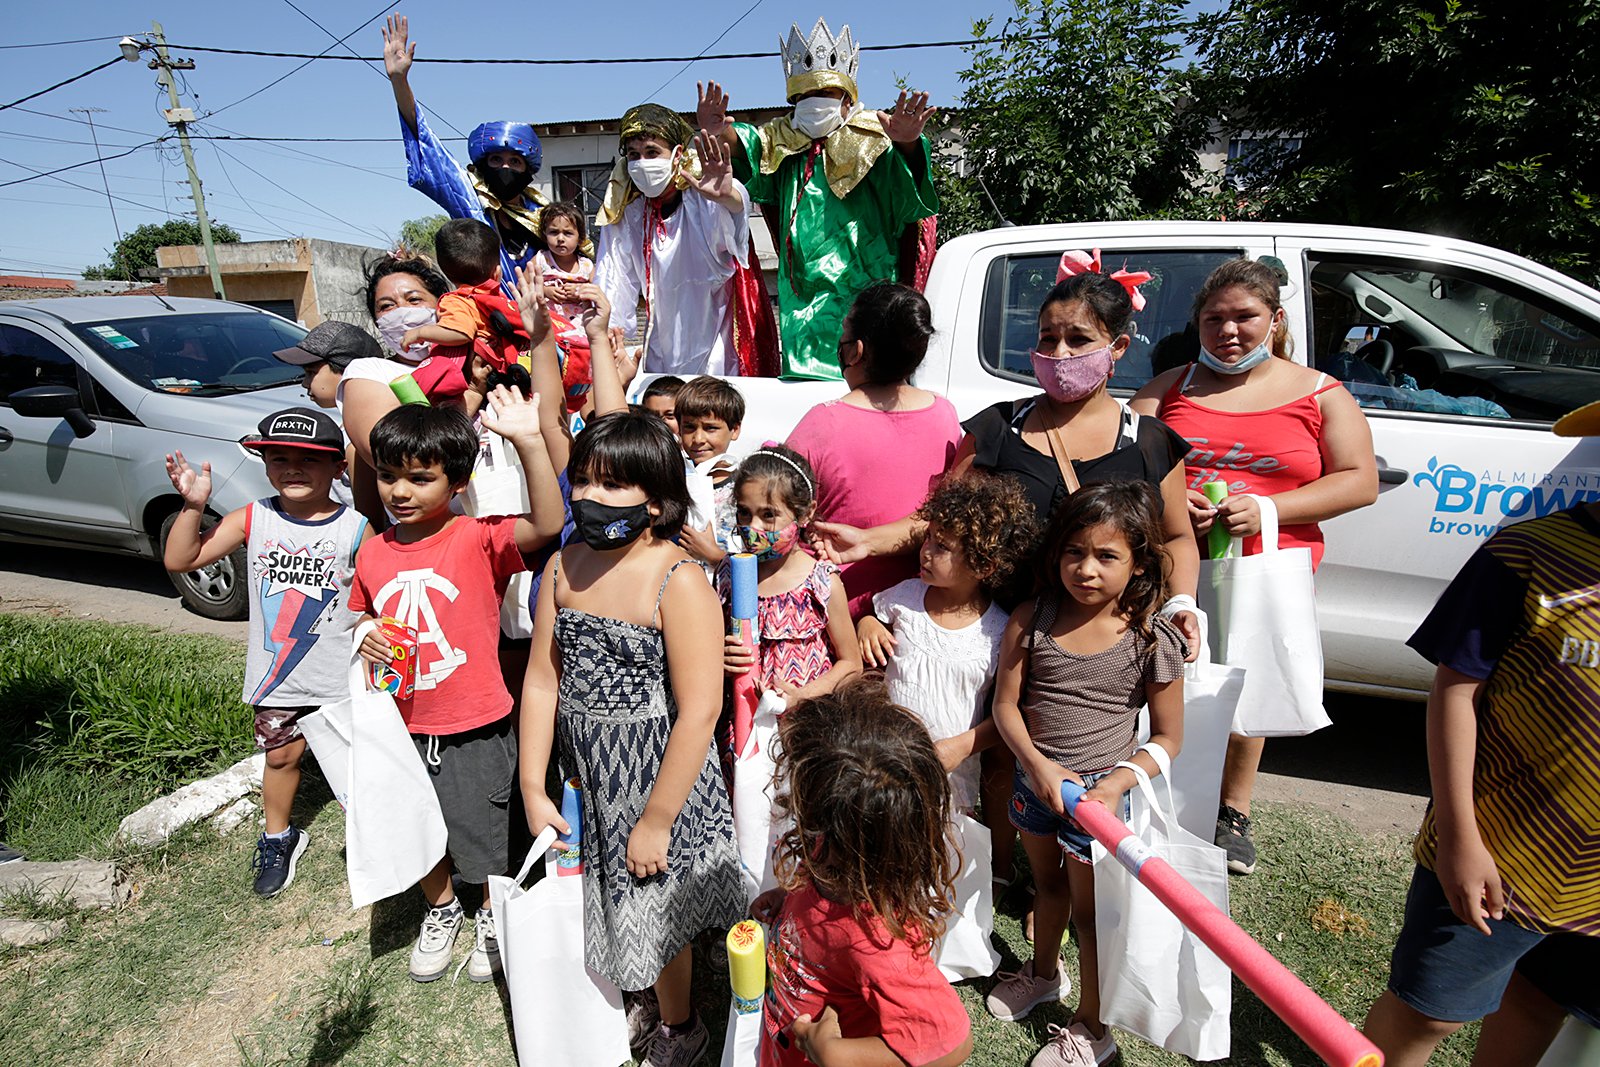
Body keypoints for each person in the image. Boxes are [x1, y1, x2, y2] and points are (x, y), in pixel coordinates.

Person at [811, 263, 1202, 919]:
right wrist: (870, 541)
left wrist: (1182, 603)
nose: (1059, 355)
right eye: (1047, 338)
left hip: (1094, 642)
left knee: (1074, 753)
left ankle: (1069, 881)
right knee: (993, 755)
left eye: (1079, 340)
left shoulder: (1153, 444)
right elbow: (942, 516)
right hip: (998, 631)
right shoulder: (995, 428)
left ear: (1120, 347)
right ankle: (993, 875)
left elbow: (1178, 539)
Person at [1358, 400, 1600, 1067]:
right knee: (1427, 1012)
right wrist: (1462, 836)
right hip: (1505, 857)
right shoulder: (1528, 555)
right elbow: (1456, 690)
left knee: (1545, 999)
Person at [1131, 257, 1378, 876]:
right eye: (1214, 318)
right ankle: (1145, 783)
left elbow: (1360, 482)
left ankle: (1232, 809)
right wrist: (1168, 497)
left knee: (1248, 677)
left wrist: (1268, 506)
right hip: (1173, 564)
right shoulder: (1169, 388)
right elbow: (1126, 462)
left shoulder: (1321, 392)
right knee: (1158, 671)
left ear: (1275, 319)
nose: (1229, 331)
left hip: (1267, 567)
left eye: (1245, 317)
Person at [518, 411, 745, 1065]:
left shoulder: (679, 580)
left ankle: (680, 1025)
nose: (590, 496)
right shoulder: (564, 567)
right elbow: (541, 681)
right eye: (583, 479)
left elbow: (701, 710)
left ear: (658, 498)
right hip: (587, 773)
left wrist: (657, 818)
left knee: (655, 909)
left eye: (612, 484)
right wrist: (535, 785)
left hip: (656, 777)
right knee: (609, 896)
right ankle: (638, 989)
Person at [349, 391, 564, 984]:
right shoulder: (371, 552)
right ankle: (440, 907)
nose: (399, 492)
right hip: (402, 724)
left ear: (459, 482)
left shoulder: (477, 538)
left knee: (485, 827)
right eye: (389, 476)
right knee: (413, 821)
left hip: (475, 720)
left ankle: (494, 912)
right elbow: (361, 614)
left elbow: (548, 522)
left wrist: (527, 439)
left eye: (420, 479)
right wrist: (364, 632)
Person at [986, 481, 1185, 1067]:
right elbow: (1005, 706)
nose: (1087, 569)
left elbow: (1170, 738)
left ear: (1140, 561)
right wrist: (1038, 765)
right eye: (1074, 552)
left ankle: (1093, 1027)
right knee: (1046, 888)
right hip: (1034, 788)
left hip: (1098, 808)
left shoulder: (1152, 636)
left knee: (1093, 917)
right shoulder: (1034, 616)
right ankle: (1044, 974)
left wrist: (1114, 785)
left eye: (1107, 556)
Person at [162, 408, 368, 898]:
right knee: (281, 759)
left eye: (308, 459)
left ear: (338, 467)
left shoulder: (356, 528)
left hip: (341, 677)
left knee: (355, 765)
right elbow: (180, 559)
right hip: (277, 677)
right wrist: (193, 506)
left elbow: (374, 598)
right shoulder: (253, 518)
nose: (292, 468)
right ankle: (278, 838)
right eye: (279, 458)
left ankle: (370, 832)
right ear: (264, 464)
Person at [696, 18, 939, 379]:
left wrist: (905, 144)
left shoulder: (875, 138)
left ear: (847, 97)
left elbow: (910, 204)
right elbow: (749, 145)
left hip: (865, 296)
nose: (814, 104)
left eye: (824, 95)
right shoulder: (785, 141)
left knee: (867, 382)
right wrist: (721, 132)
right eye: (805, 97)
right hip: (801, 302)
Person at [752, 678, 973, 1067]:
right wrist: (789, 902)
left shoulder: (877, 942)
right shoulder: (830, 852)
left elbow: (951, 1044)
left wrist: (837, 1055)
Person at [857, 471, 1037, 812]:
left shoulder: (998, 630)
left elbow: (1005, 712)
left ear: (983, 565)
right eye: (928, 538)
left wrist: (963, 746)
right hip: (885, 762)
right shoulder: (905, 598)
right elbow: (869, 616)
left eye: (942, 546)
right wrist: (866, 624)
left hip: (951, 776)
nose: (925, 552)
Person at [787, 282, 961, 618]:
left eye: (844, 331)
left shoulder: (824, 421)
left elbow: (779, 514)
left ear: (856, 350)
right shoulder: (945, 414)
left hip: (839, 614)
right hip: (920, 611)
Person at [383, 15, 569, 292]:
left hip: (543, 322)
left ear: (528, 170)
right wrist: (399, 81)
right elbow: (426, 144)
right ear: (482, 165)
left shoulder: (543, 216)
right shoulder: (469, 200)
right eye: (496, 160)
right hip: (487, 321)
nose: (505, 167)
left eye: (514, 162)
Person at [594, 105, 776, 377]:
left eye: (652, 152)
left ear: (677, 154)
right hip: (662, 346)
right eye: (634, 155)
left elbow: (734, 228)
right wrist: (607, 336)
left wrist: (726, 196)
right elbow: (613, 280)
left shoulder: (701, 195)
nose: (642, 162)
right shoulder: (628, 211)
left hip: (717, 342)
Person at [721, 447, 861, 702]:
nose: (753, 528)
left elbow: (851, 664)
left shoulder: (821, 583)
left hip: (801, 726)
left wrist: (801, 696)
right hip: (740, 724)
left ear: (805, 513)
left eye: (768, 515)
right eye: (744, 512)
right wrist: (721, 656)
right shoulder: (727, 575)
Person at [531, 201, 597, 414]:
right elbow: (526, 286)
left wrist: (579, 293)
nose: (560, 238)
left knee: (580, 374)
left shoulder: (586, 265)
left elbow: (596, 293)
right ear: (544, 234)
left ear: (580, 238)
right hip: (551, 328)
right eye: (554, 232)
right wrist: (546, 292)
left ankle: (581, 408)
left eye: (568, 233)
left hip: (578, 331)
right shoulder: (541, 260)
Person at [675, 375, 745, 565]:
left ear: (735, 429)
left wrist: (714, 556)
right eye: (689, 427)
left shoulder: (745, 488)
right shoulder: (672, 481)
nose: (698, 438)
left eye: (710, 428)